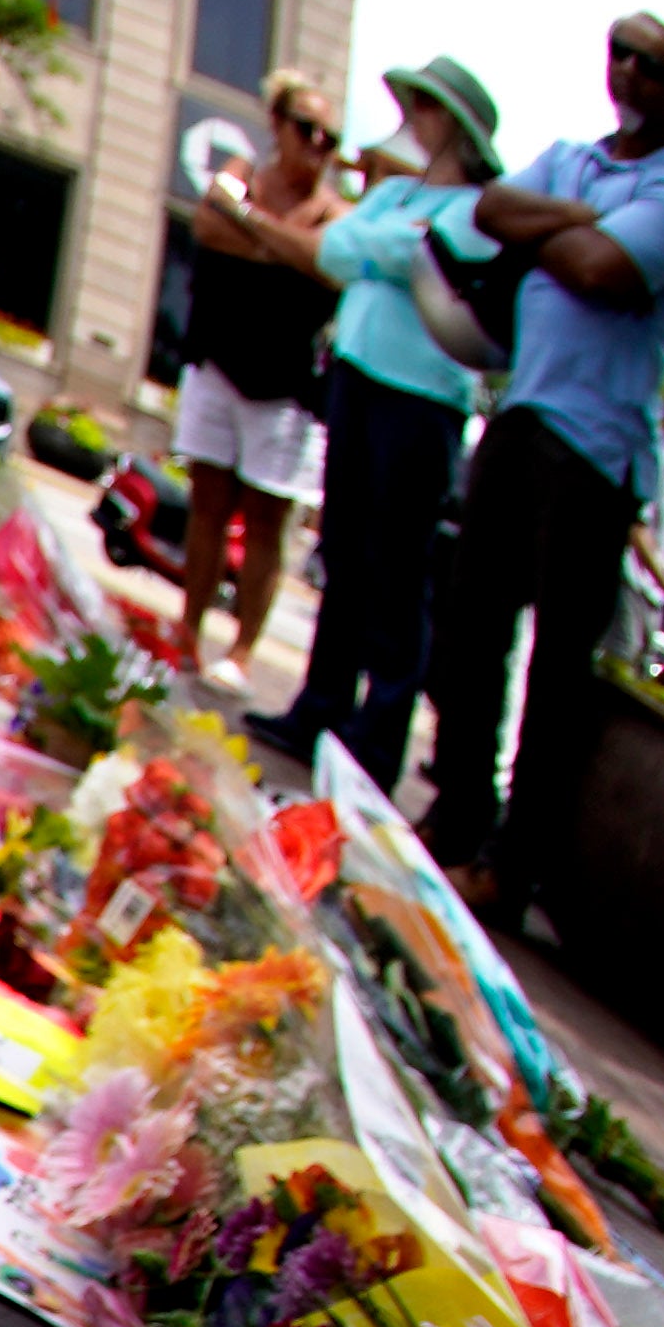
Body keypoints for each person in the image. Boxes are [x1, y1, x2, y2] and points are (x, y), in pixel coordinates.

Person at [423, 14, 664, 923]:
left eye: (647, 61)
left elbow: (594, 269)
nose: (624, 69)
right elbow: (489, 211)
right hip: (520, 414)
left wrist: (543, 226)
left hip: (593, 450)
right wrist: (577, 216)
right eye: (615, 52)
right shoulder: (570, 159)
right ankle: (457, 816)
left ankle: (511, 867)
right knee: (469, 626)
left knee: (554, 672)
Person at [252, 55, 501, 790]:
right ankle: (320, 706)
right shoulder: (396, 193)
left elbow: (397, 252)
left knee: (397, 564)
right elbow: (339, 252)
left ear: (455, 125)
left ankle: (378, 736)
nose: (411, 117)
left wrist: (376, 251)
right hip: (357, 376)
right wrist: (376, 252)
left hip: (421, 397)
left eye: (427, 106)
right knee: (344, 548)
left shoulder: (474, 211)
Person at [174, 72, 345, 687]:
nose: (317, 144)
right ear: (277, 125)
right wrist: (283, 247)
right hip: (218, 361)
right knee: (208, 506)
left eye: (330, 137)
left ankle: (242, 651)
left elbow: (325, 261)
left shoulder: (335, 211)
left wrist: (253, 227)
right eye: (307, 128)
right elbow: (207, 224)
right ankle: (187, 631)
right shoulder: (240, 171)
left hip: (286, 388)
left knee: (268, 522)